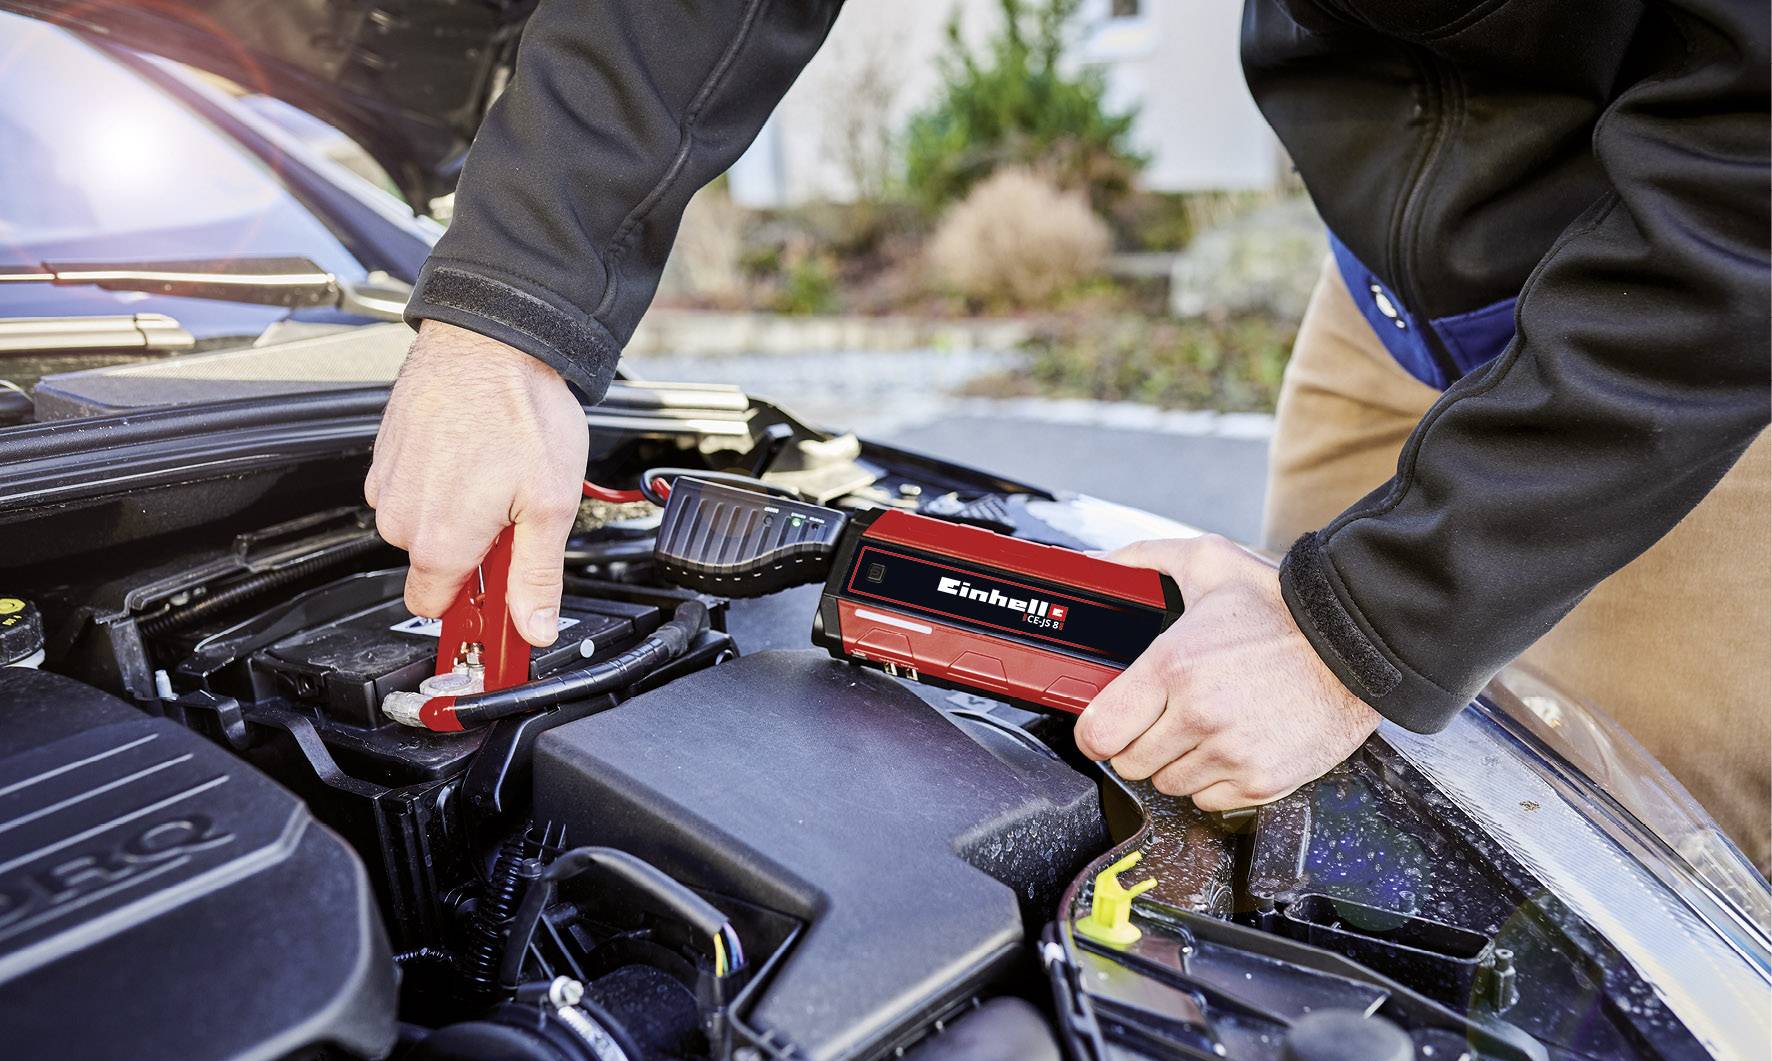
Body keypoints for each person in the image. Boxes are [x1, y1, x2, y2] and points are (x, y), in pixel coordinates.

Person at [367, 2, 1770, 859]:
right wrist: (511, 305)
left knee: (1648, 878)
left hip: (1688, 338)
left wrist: (1366, 625)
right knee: (1304, 801)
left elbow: (1747, 160)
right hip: (1386, 301)